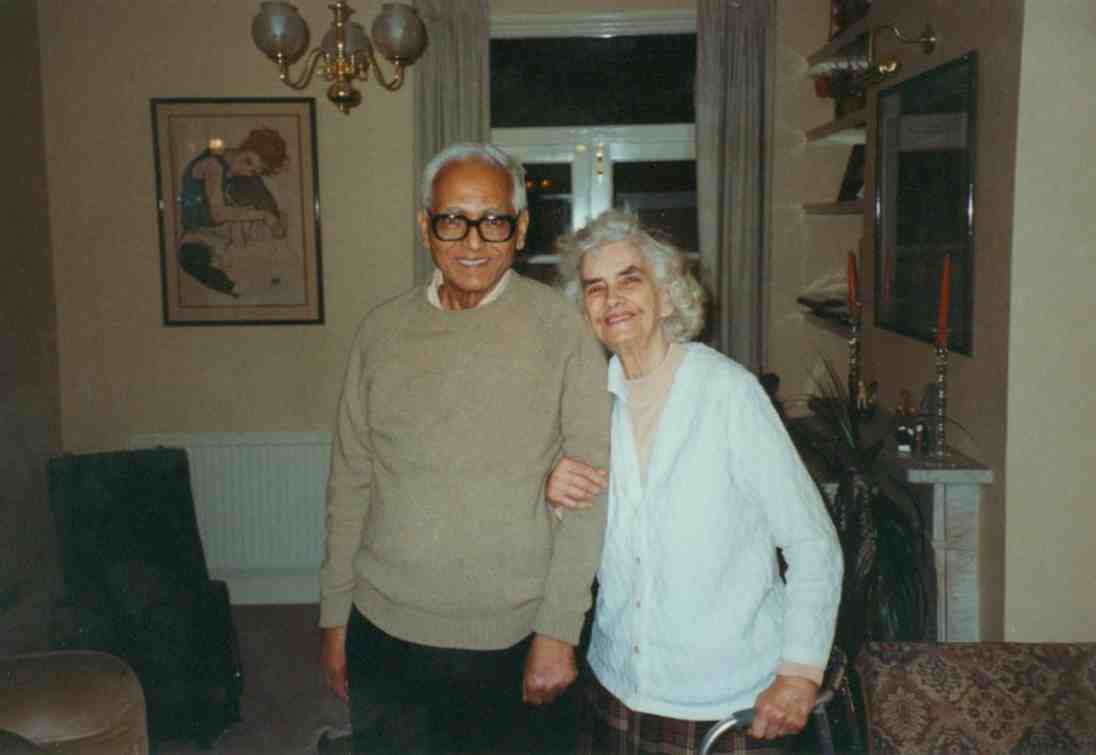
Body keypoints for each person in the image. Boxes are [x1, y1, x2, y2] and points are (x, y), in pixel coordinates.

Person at [320, 143, 611, 754]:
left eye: (493, 220)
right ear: (425, 225)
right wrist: (334, 614)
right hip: (385, 627)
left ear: (520, 228)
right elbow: (350, 482)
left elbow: (590, 496)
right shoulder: (379, 333)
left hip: (513, 637)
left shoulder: (564, 331)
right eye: (453, 219)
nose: (473, 242)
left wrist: (559, 630)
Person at [549, 210, 843, 754]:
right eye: (595, 288)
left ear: (666, 296)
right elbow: (576, 537)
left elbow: (812, 542)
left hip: (726, 700)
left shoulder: (728, 394)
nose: (612, 299)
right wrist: (553, 494)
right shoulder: (589, 404)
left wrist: (800, 674)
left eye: (629, 280)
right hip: (616, 686)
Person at [177, 127, 288, 297]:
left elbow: (273, 217)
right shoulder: (214, 164)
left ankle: (253, 275)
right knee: (191, 257)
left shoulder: (242, 171)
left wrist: (273, 221)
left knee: (269, 226)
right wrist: (263, 215)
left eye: (253, 170)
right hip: (198, 230)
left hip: (220, 229)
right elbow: (217, 214)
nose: (245, 170)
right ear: (244, 147)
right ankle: (236, 284)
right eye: (247, 161)